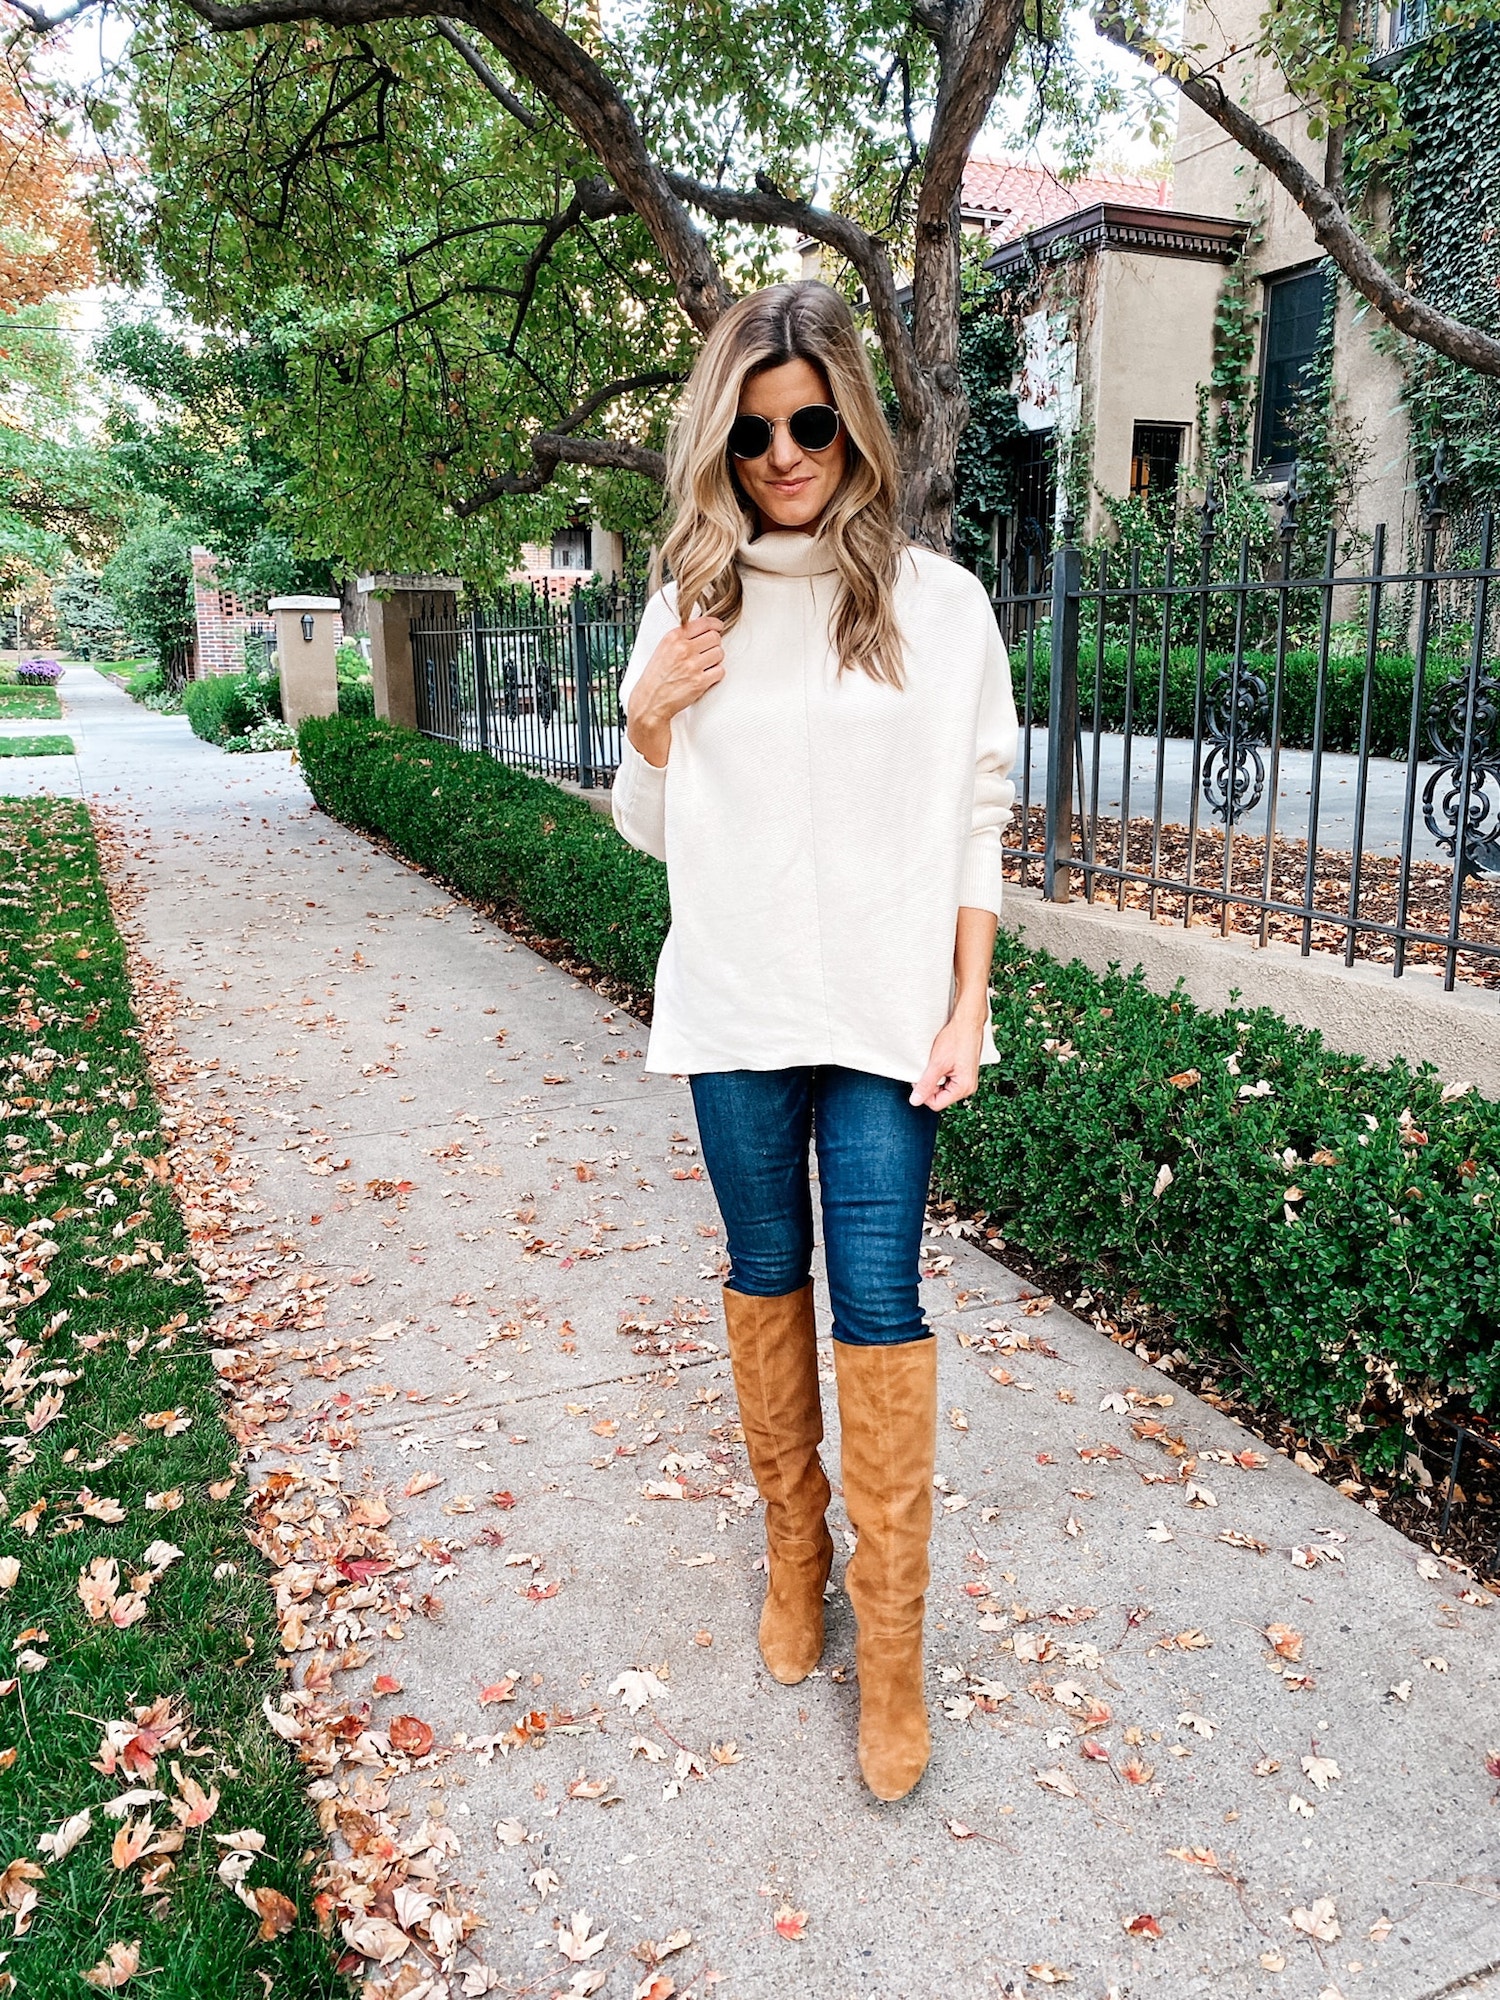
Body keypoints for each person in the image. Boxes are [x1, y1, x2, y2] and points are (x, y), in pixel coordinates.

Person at [611, 280, 1017, 1803]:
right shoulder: (688, 604)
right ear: (724, 437)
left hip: (883, 1012)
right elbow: (651, 826)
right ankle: (797, 1553)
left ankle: (894, 1647)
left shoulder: (943, 603)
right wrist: (647, 717)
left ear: (853, 420)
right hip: (735, 1001)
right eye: (758, 429)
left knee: (882, 1299)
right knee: (764, 1276)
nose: (786, 453)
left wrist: (971, 996)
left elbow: (979, 814)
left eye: (813, 422)